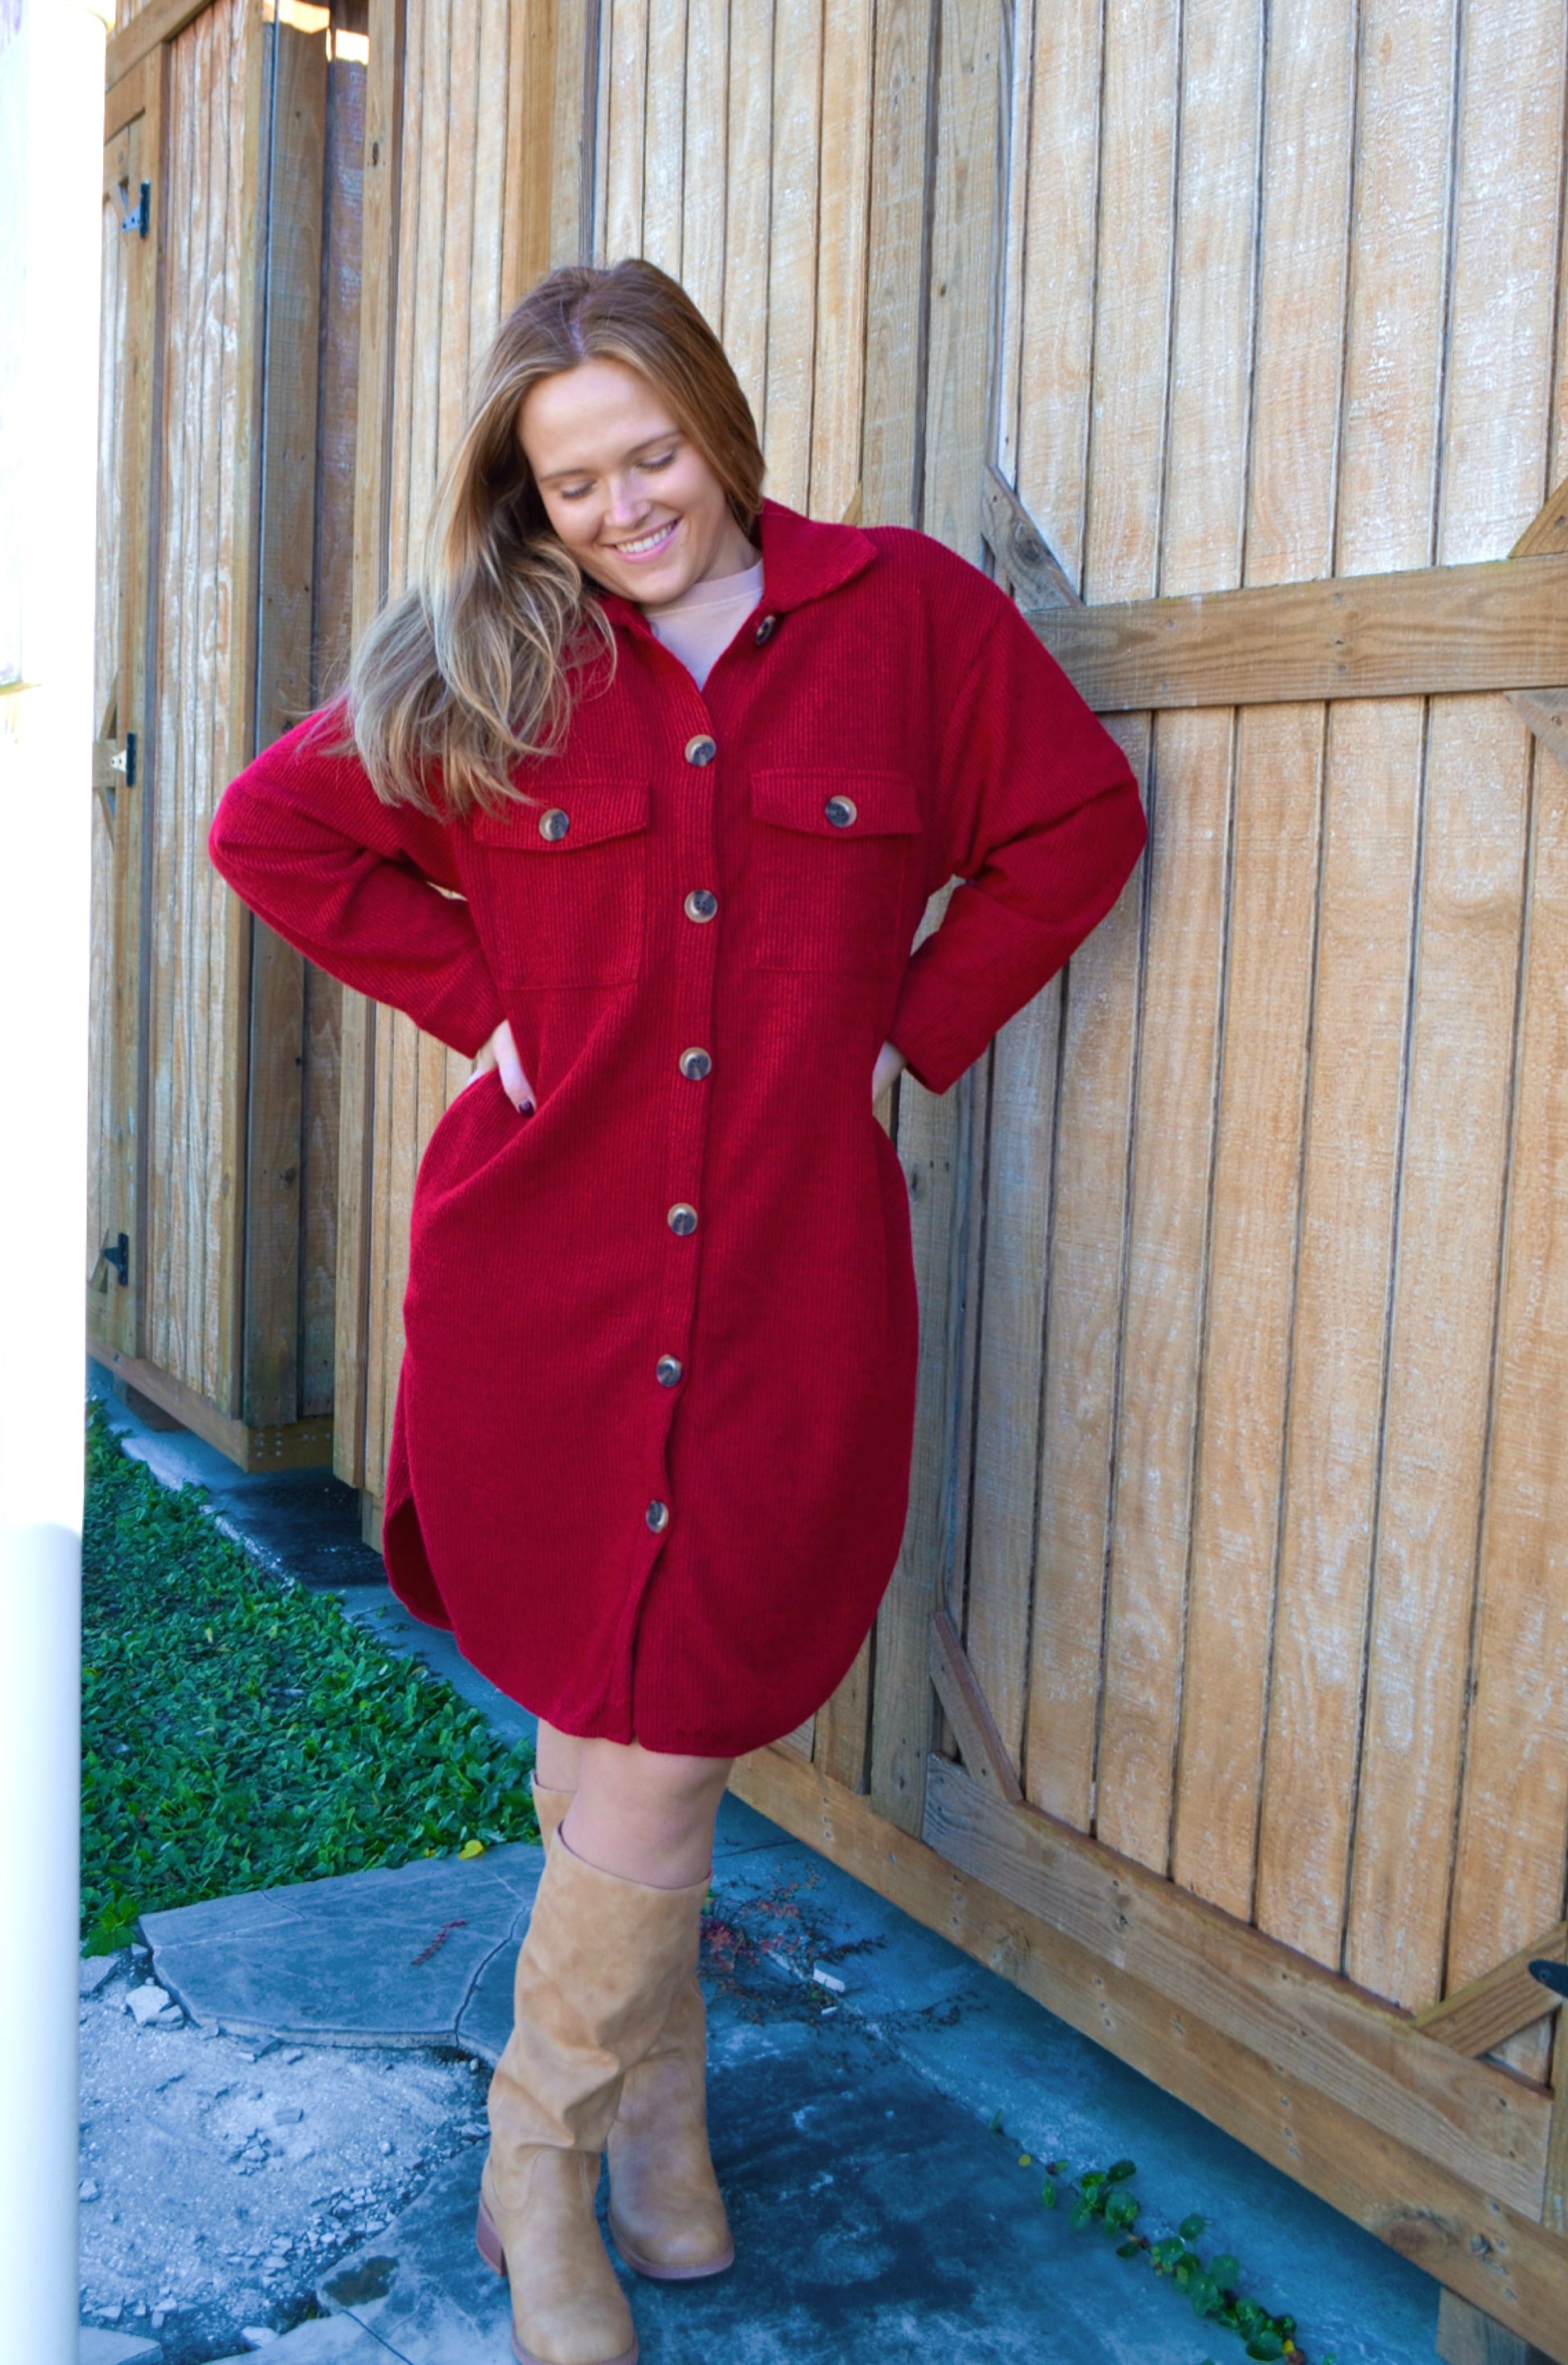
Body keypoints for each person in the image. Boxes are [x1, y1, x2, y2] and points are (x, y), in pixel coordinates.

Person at [208, 257, 1145, 2365]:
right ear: (524, 500)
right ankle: (634, 2138)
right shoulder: (500, 655)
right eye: (573, 483)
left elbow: (1073, 823)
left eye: (651, 458)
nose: (623, 509)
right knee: (608, 1714)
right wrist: (485, 1006)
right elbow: (274, 832)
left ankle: (542, 2153)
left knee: (664, 1717)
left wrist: (907, 1030)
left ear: (715, 425)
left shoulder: (905, 622)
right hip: (539, 1281)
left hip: (790, 1282)